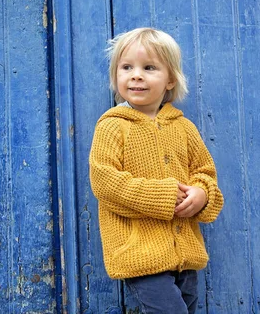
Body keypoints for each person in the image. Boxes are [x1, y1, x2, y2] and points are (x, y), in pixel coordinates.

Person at [88, 27, 224, 313]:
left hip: (185, 253)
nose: (136, 75)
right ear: (116, 76)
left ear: (170, 79)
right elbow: (106, 182)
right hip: (141, 253)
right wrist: (162, 195)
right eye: (126, 67)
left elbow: (204, 172)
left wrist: (200, 194)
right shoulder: (112, 125)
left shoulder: (184, 128)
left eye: (149, 67)